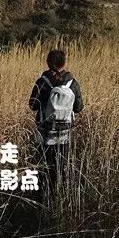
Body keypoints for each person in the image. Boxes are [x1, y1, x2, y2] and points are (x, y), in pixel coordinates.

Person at [28, 49, 83, 193]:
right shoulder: (72, 83)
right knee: (61, 165)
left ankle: (42, 194)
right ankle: (58, 194)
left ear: (47, 63)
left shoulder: (42, 82)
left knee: (44, 164)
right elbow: (78, 108)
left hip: (44, 131)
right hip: (64, 131)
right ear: (64, 63)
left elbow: (32, 105)